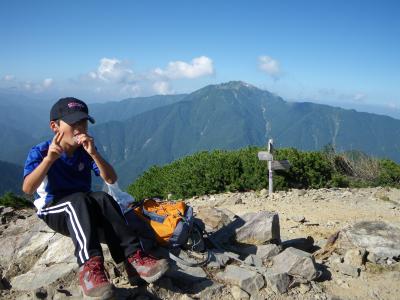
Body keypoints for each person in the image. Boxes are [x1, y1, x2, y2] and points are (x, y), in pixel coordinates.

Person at [22, 97, 168, 299]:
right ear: (54, 126)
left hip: (82, 205)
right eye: (73, 123)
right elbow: (28, 189)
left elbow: (111, 178)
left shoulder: (85, 151)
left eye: (82, 122)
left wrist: (94, 155)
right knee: (78, 201)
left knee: (102, 197)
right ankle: (89, 268)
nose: (79, 128)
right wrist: (49, 160)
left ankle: (133, 259)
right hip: (54, 207)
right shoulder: (40, 152)